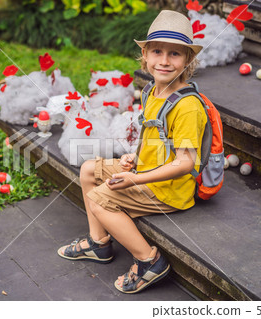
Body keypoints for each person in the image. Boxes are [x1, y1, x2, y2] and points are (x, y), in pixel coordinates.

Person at [57, 10, 207, 294]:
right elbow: (153, 134)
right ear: (146, 56)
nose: (164, 61)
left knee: (100, 199)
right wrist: (135, 159)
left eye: (175, 54)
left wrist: (135, 179)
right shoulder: (152, 90)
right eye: (157, 51)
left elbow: (186, 163)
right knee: (89, 169)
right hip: (147, 171)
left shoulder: (187, 106)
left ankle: (149, 260)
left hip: (169, 189)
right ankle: (99, 243)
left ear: (188, 60)